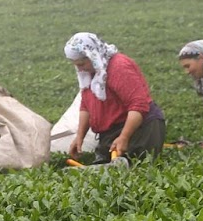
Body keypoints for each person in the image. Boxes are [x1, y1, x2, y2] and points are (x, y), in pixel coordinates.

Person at [64, 31, 166, 163]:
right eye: (76, 65)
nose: (80, 69)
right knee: (106, 168)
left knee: (133, 166)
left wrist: (124, 137)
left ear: (93, 56)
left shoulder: (119, 67)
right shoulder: (89, 73)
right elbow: (86, 106)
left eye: (81, 64)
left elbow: (138, 105)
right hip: (111, 132)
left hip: (140, 129)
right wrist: (79, 137)